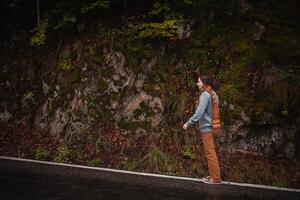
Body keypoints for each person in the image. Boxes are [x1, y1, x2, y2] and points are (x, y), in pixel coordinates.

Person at [183, 75, 222, 184]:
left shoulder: (205, 95)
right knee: (211, 152)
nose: (197, 83)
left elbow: (199, 113)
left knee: (210, 153)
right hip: (212, 127)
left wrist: (188, 123)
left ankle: (216, 178)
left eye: (198, 81)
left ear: (204, 83)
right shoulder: (213, 94)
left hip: (207, 128)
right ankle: (213, 176)